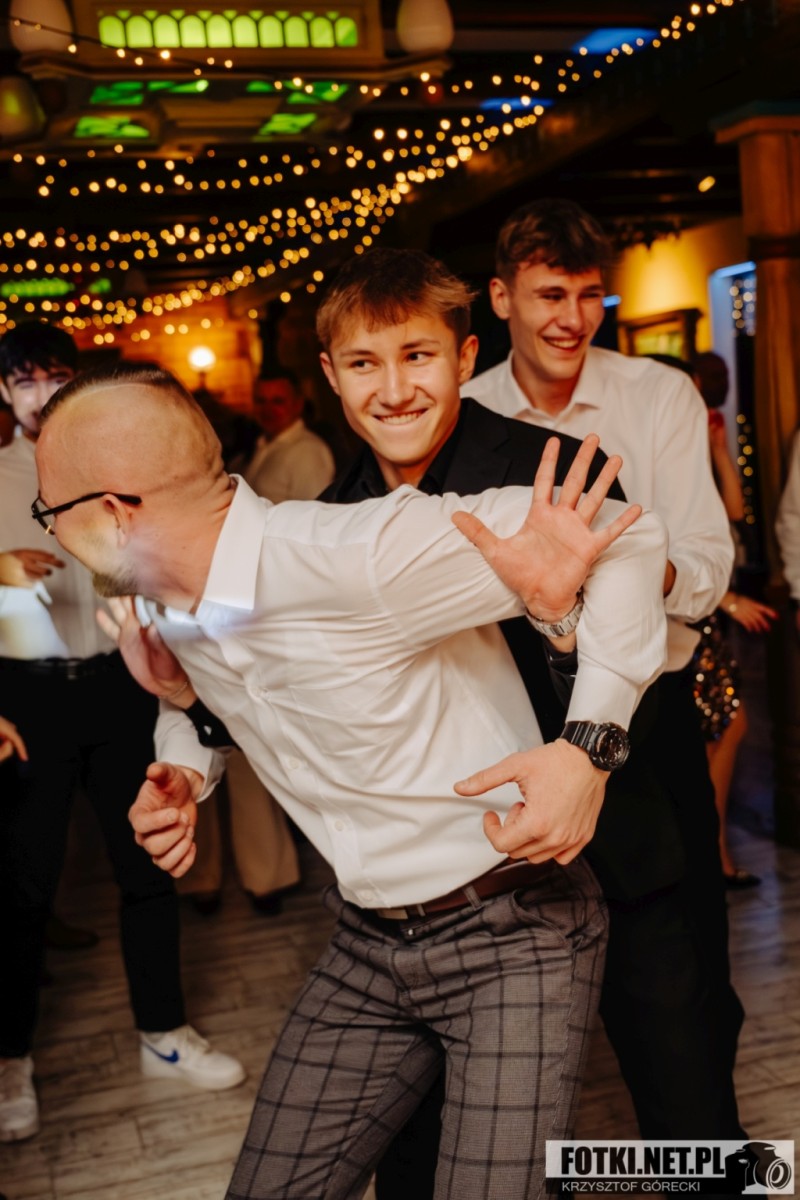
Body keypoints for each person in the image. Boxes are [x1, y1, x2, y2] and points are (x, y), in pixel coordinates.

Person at [33, 359, 667, 1200]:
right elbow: (221, 693)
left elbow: (628, 534)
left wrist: (588, 747)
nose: (50, 535)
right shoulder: (167, 592)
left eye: (50, 513)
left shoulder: (362, 553)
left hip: (514, 932)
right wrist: (185, 761)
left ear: (116, 514)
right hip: (366, 943)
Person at [466, 198, 745, 1141]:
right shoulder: (467, 412)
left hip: (653, 722)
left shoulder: (658, 397)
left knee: (687, 983)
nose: (573, 319)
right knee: (521, 989)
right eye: (550, 294)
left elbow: (707, 568)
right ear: (500, 296)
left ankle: (710, 1162)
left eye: (590, 296)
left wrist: (620, 562)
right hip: (515, 721)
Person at [0, 324, 245, 1146]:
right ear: (4, 392)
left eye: (56, 376)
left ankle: (164, 1032)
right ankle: (9, 1059)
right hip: (25, 695)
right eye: (25, 380)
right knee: (23, 886)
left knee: (147, 865)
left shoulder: (117, 472)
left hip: (119, 683)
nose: (42, 395)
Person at [691, 350, 776, 887]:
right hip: (691, 614)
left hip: (706, 614)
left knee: (725, 730)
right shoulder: (660, 451)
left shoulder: (696, 443)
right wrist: (727, 601)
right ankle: (711, 855)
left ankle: (713, 853)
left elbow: (735, 511)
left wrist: (719, 449)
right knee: (720, 731)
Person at [245, 365, 336, 502]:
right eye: (261, 401)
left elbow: (313, 512)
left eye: (278, 401)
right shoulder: (258, 446)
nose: (267, 409)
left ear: (298, 404)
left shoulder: (307, 451)